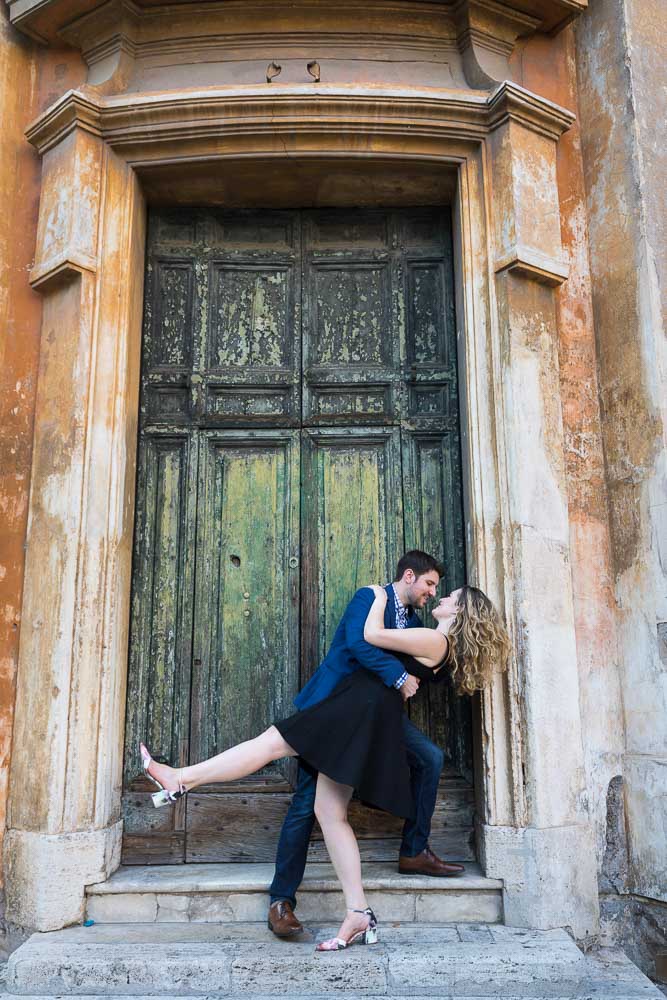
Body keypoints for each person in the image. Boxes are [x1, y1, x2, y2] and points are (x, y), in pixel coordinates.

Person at [140, 560, 510, 953]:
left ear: (460, 612)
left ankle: (180, 779)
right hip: (364, 712)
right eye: (437, 587)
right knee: (329, 814)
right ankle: (359, 913)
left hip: (356, 711)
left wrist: (378, 594)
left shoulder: (435, 641)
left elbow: (369, 634)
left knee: (271, 744)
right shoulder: (435, 642)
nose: (442, 596)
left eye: (450, 596)